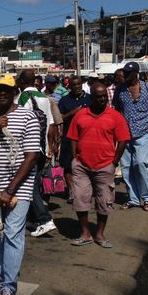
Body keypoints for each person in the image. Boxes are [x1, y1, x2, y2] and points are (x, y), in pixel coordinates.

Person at [0, 74, 40, 295]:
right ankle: (0, 272)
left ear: (15, 92)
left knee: (13, 234)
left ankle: (8, 286)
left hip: (18, 186)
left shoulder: (28, 116)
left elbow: (32, 156)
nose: (2, 93)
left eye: (6, 89)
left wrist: (11, 189)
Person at [68, 83, 130, 248]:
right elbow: (73, 137)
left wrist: (114, 162)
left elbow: (123, 140)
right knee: (80, 199)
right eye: (98, 96)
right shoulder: (81, 114)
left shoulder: (115, 116)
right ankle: (85, 233)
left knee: (104, 200)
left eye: (104, 96)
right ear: (92, 97)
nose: (102, 99)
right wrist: (75, 158)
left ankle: (100, 234)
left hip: (105, 166)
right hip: (81, 166)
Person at [114, 62, 148, 212]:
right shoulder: (120, 89)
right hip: (124, 134)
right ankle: (133, 199)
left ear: (136, 73)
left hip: (142, 133)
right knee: (127, 168)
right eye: (125, 73)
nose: (126, 76)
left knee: (141, 164)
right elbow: (116, 108)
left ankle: (147, 198)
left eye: (129, 73)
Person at [17, 69, 57, 237]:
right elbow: (51, 124)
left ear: (21, 82)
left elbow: (20, 122)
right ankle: (33, 218)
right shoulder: (44, 98)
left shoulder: (23, 97)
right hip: (42, 147)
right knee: (36, 184)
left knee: (29, 186)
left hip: (28, 148)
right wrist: (50, 148)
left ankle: (44, 219)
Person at [58, 76, 91, 204]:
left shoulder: (89, 98)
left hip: (87, 137)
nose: (77, 87)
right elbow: (60, 118)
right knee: (68, 165)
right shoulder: (64, 100)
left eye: (79, 84)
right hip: (69, 137)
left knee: (86, 164)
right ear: (69, 87)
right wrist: (73, 112)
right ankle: (72, 192)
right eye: (74, 85)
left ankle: (85, 190)